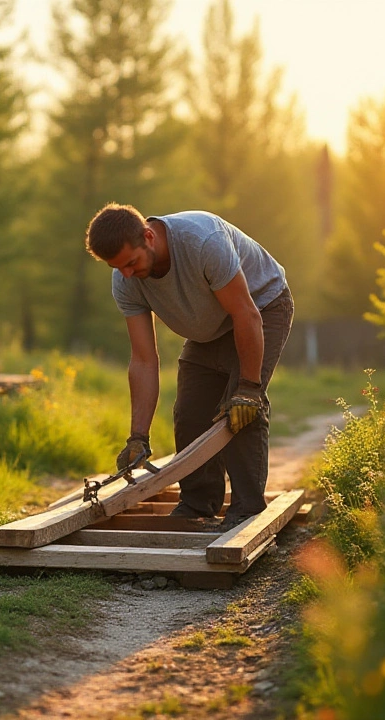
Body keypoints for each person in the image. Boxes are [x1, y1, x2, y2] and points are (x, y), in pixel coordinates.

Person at [85, 203, 294, 528]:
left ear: (149, 237)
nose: (126, 273)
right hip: (208, 329)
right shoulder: (125, 280)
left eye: (131, 263)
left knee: (240, 409)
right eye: (117, 267)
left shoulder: (202, 241)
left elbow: (245, 314)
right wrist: (137, 436)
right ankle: (198, 503)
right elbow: (143, 359)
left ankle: (245, 510)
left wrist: (249, 388)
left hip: (261, 308)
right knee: (190, 414)